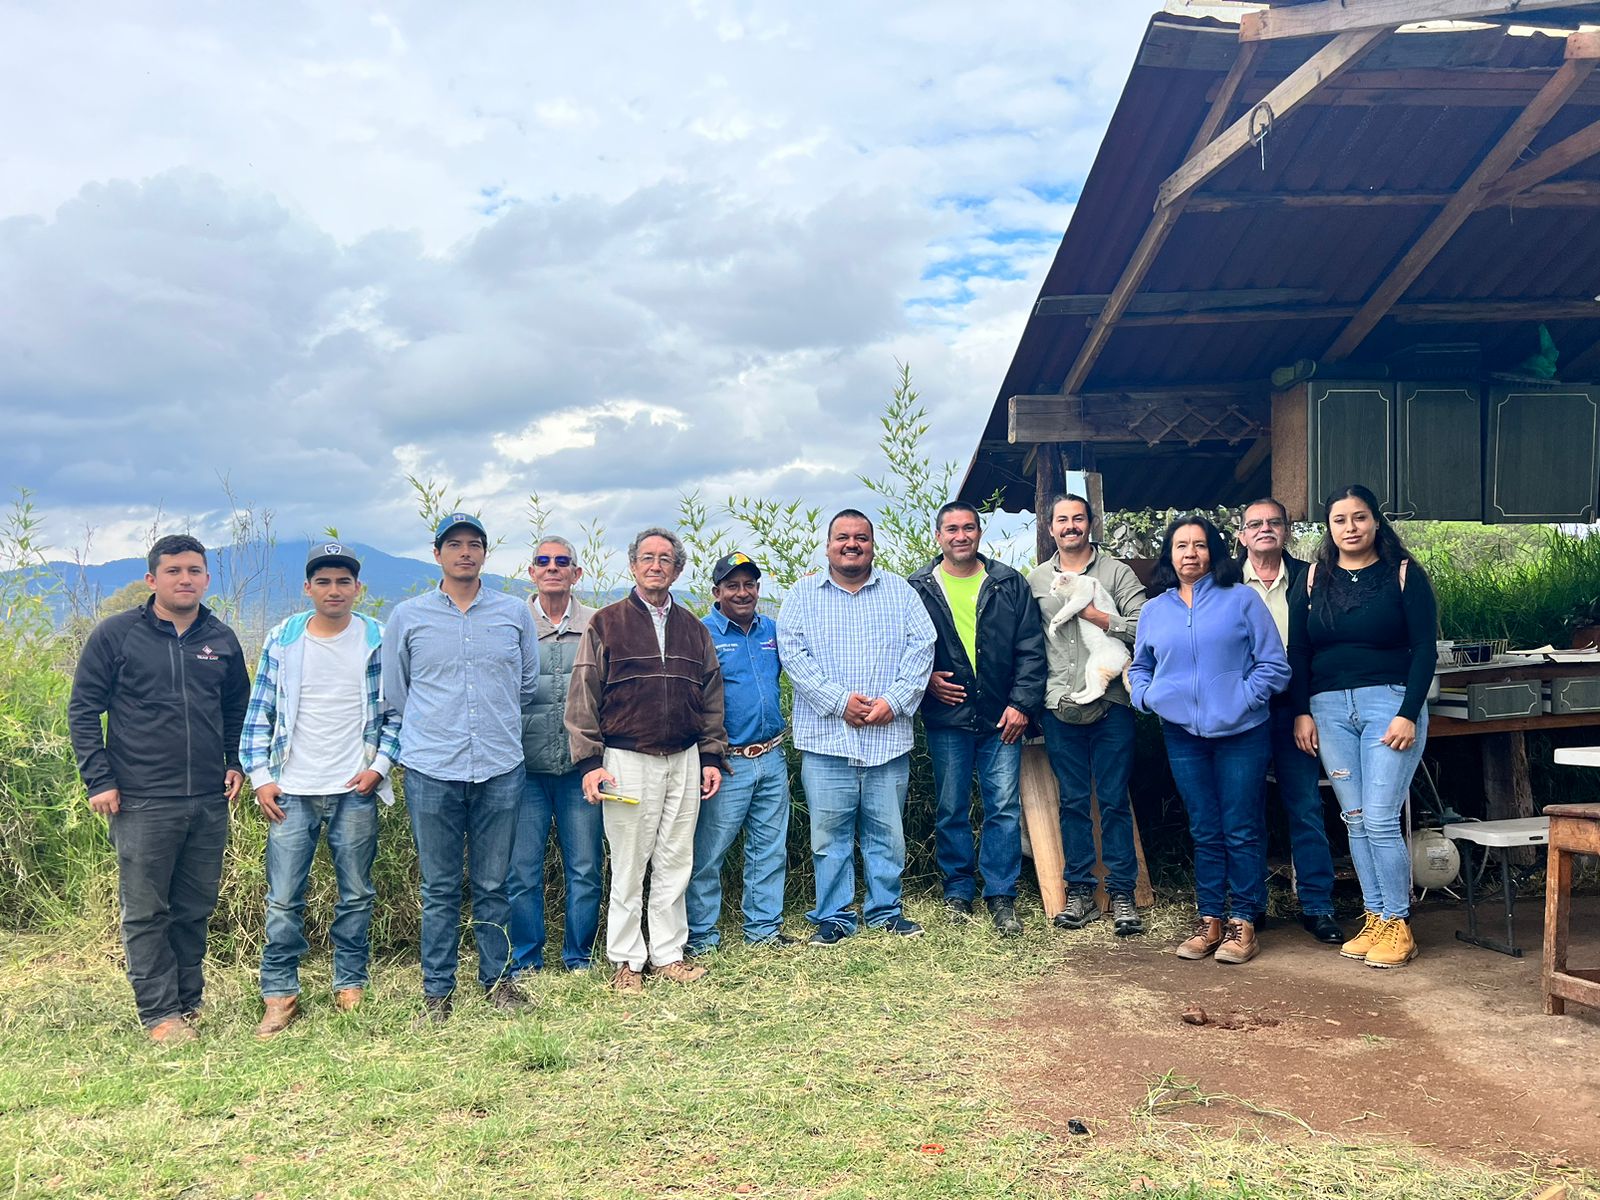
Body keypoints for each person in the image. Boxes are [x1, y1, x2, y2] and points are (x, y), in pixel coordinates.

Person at [68, 535, 250, 1043]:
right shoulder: (118, 634)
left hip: (208, 799)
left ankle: (188, 1003)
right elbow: (84, 709)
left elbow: (238, 708)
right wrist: (99, 778)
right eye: (173, 571)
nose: (184, 579)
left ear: (207, 578)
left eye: (194, 570)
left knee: (195, 907)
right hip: (141, 798)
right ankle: (159, 1015)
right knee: (148, 911)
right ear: (153, 579)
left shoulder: (222, 638)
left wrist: (234, 761)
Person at [383, 511, 540, 1023]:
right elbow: (397, 694)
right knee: (440, 886)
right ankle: (437, 990)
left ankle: (498, 981)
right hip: (432, 768)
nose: (465, 552)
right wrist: (437, 729)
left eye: (475, 544)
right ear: (438, 554)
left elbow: (527, 685)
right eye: (455, 544)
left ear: (485, 554)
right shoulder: (408, 616)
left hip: (499, 765)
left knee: (496, 883)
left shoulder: (514, 613)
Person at [241, 541, 401, 1036]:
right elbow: (259, 713)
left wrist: (380, 766)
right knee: (284, 896)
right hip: (292, 788)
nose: (335, 590)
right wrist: (262, 778)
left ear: (358, 588)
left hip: (356, 787)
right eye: (324, 581)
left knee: (356, 893)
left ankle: (350, 982)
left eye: (344, 581)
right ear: (308, 588)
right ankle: (280, 993)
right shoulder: (284, 639)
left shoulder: (378, 636)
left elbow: (397, 710)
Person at [566, 527, 728, 994]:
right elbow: (582, 697)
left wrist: (711, 754)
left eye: (665, 559)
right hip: (624, 759)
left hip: (684, 758)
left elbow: (712, 697)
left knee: (676, 859)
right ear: (633, 566)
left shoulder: (694, 629)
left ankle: (668, 954)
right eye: (647, 558)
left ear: (677, 570)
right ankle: (626, 960)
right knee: (630, 863)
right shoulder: (606, 622)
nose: (656, 565)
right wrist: (589, 761)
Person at [1130, 517, 1290, 964]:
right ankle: (1210, 920)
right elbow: (1140, 667)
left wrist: (1243, 697)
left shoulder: (1242, 600)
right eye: (1181, 546)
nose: (1190, 554)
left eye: (1199, 546)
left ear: (1213, 553)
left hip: (1242, 733)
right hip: (1183, 735)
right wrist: (1147, 696)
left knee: (1240, 827)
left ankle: (1243, 922)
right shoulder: (1154, 610)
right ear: (1170, 555)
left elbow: (1274, 666)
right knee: (1204, 828)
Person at [1290, 484, 1437, 969]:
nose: (1350, 528)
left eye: (1359, 518)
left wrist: (1408, 712)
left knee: (1379, 818)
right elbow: (1300, 652)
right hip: (1328, 709)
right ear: (1327, 527)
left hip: (1388, 705)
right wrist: (1302, 711)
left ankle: (1398, 923)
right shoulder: (1312, 579)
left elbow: (1424, 651)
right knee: (1353, 819)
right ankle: (1374, 917)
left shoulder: (1402, 574)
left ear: (1376, 522)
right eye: (1339, 520)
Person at [778, 509, 936, 946]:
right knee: (829, 837)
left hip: (887, 740)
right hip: (827, 741)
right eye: (843, 537)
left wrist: (896, 701)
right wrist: (838, 701)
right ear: (828, 545)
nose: (852, 544)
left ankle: (886, 912)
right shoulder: (802, 594)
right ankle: (835, 916)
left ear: (872, 545)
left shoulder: (900, 592)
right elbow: (792, 655)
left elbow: (922, 649)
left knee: (887, 833)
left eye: (861, 538)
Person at [908, 502, 1045, 936]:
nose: (960, 535)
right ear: (938, 536)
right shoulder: (918, 587)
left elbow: (1031, 647)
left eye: (968, 527)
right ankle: (958, 892)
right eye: (951, 529)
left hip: (1001, 715)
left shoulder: (1007, 582)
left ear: (980, 533)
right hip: (947, 715)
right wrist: (925, 680)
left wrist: (1022, 704)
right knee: (951, 807)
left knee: (1002, 807)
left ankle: (1001, 895)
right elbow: (902, 648)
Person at [1026, 494, 1148, 936]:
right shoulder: (1038, 579)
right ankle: (1079, 891)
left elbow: (1143, 625)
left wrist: (1098, 616)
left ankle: (1121, 895)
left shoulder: (1116, 573)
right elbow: (1029, 641)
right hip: (1060, 702)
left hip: (1112, 700)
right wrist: (1034, 697)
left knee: (1114, 799)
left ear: (1091, 523)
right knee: (1073, 801)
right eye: (1063, 520)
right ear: (1052, 527)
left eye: (1078, 518)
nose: (1071, 526)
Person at [1237, 498, 1343, 945]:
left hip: (1296, 708)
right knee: (1244, 811)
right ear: (1241, 534)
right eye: (1255, 524)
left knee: (1304, 806)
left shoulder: (1311, 577)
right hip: (1240, 713)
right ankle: (1249, 908)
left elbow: (1323, 643)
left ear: (1287, 531)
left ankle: (1318, 906)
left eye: (1274, 523)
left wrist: (1306, 709)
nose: (1265, 530)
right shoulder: (1223, 581)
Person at [685, 552, 794, 955]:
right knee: (709, 853)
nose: (742, 592)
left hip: (772, 755)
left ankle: (763, 930)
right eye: (732, 585)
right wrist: (706, 756)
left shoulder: (773, 630)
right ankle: (701, 937)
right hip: (725, 762)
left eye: (749, 585)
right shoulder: (702, 633)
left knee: (769, 848)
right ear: (717, 592)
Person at [509, 536, 603, 975]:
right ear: (531, 571)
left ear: (576, 573)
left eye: (562, 562)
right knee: (521, 871)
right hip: (523, 771)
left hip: (577, 769)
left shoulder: (597, 623)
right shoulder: (512, 622)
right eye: (543, 561)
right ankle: (526, 958)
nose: (552, 568)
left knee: (584, 867)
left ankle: (578, 957)